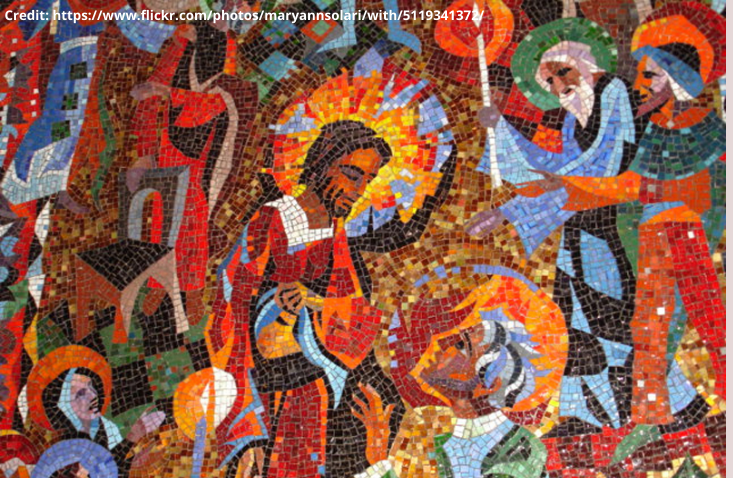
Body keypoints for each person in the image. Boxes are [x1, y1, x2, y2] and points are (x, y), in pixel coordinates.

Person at [209, 119, 455, 476]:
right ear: (322, 162)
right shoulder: (272, 220)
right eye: (352, 174)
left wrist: (315, 301)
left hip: (322, 390)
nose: (359, 190)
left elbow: (354, 316)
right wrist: (247, 429)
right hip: (274, 393)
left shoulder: (337, 234)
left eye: (368, 180)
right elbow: (230, 317)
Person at [522, 5, 726, 429]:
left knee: (694, 320)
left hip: (679, 232)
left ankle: (684, 409)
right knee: (643, 325)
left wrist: (567, 185)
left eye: (650, 75)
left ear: (678, 78)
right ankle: (646, 414)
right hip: (641, 232)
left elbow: (640, 184)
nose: (640, 85)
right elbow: (629, 181)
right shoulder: (648, 125)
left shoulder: (699, 129)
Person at [466, 18, 638, 430]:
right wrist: (501, 131)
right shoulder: (571, 122)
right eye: (550, 81)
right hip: (579, 232)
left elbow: (605, 164)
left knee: (610, 319)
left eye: (564, 71)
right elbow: (551, 169)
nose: (560, 85)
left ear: (587, 62)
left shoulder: (615, 93)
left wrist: (555, 183)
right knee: (572, 320)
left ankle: (623, 412)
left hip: (617, 229)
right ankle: (582, 415)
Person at [353, 269, 567, 478]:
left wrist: (380, 467)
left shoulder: (519, 452)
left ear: (491, 383)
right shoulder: (443, 443)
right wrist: (379, 461)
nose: (438, 347)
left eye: (460, 345)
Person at [129, 19, 258, 323]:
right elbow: (152, 94)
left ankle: (192, 289)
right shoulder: (182, 42)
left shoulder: (224, 48)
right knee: (162, 216)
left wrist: (168, 93)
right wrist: (144, 152)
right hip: (169, 142)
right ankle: (159, 283)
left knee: (194, 220)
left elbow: (219, 100)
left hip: (203, 152)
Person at [26, 346, 165, 478]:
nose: (93, 395)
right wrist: (131, 439)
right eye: (81, 394)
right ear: (62, 405)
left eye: (90, 386)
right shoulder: (63, 450)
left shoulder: (108, 430)